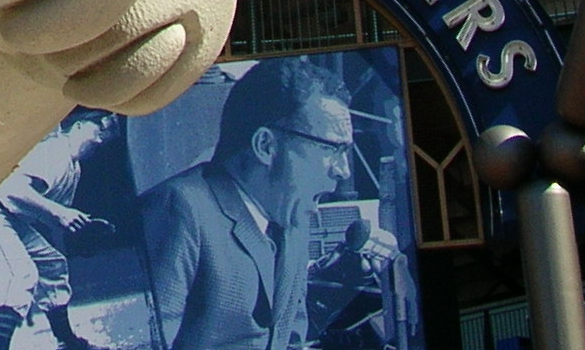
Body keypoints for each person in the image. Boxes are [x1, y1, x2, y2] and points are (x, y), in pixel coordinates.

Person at [141, 59, 396, 350]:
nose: (343, 170)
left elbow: (290, 341)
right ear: (266, 145)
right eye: (330, 148)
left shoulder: (292, 222)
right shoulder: (179, 209)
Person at [0, 110, 121, 350]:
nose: (99, 140)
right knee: (19, 278)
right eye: (98, 129)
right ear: (77, 125)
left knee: (52, 266)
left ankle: (67, 342)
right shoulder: (55, 151)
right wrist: (60, 214)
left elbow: (50, 214)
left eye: (105, 137)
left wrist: (82, 228)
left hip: (12, 218)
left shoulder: (73, 168)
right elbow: (11, 189)